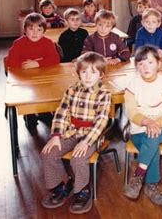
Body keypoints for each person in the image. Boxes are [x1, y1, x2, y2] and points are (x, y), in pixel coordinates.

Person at [40, 52, 111, 214]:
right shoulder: (71, 90)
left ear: (101, 75)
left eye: (93, 72)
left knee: (78, 158)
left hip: (92, 136)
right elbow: (61, 113)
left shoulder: (104, 95)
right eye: (84, 71)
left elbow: (101, 121)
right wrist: (56, 136)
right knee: (49, 153)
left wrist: (86, 142)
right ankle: (61, 186)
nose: (87, 76)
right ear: (77, 73)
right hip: (71, 131)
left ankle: (82, 191)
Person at [123, 45, 162, 206]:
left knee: (152, 136)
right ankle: (151, 186)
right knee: (152, 142)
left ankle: (138, 176)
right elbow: (131, 112)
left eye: (150, 63)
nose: (146, 67)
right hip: (139, 127)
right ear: (136, 66)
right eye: (141, 63)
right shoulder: (132, 84)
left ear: (158, 64)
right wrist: (147, 122)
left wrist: (156, 123)